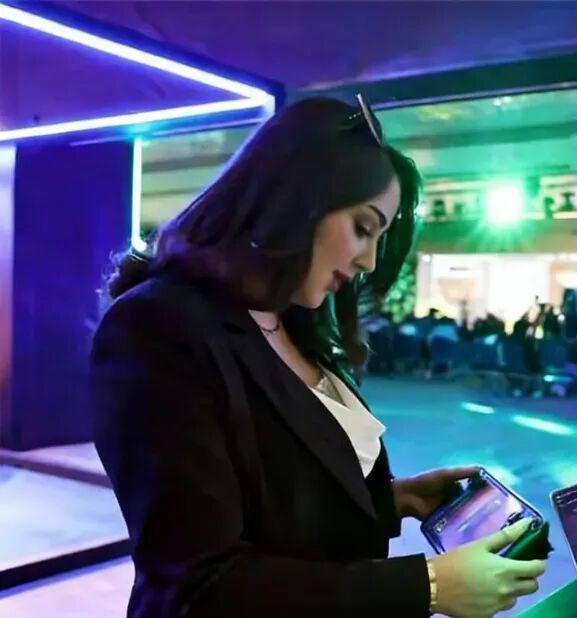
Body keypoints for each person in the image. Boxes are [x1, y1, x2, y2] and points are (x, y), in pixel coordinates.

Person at [90, 97, 545, 617]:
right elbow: (198, 585)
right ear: (297, 199)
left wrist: (392, 499)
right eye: (363, 227)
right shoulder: (157, 327)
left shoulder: (291, 318)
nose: (369, 260)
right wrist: (430, 585)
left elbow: (276, 501)